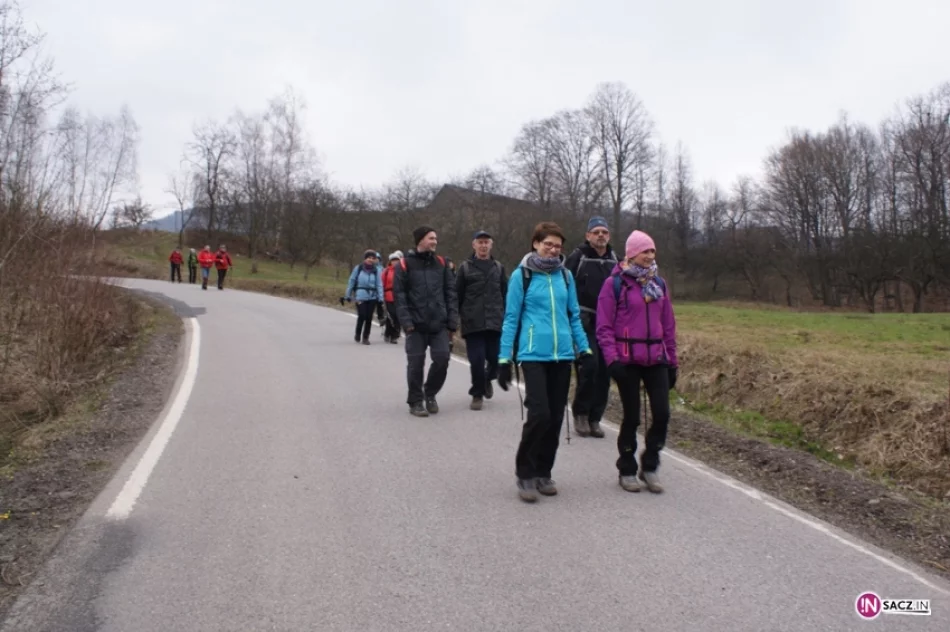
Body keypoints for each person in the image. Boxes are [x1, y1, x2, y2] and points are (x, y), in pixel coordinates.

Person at [496, 222, 594, 503]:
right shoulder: (522, 276)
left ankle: (543, 471)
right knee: (539, 413)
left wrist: (584, 350)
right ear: (535, 244)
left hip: (562, 355)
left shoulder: (565, 277)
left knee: (554, 417)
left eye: (557, 246)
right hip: (532, 354)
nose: (553, 250)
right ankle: (524, 472)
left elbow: (574, 315)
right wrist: (504, 357)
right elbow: (511, 318)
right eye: (548, 244)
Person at [596, 229, 678, 494]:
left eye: (652, 251)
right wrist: (612, 360)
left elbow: (668, 326)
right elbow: (604, 326)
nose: (649, 256)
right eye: (645, 251)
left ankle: (650, 464)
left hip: (656, 358)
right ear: (632, 254)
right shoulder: (615, 284)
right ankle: (627, 467)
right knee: (631, 417)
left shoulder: (659, 285)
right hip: (627, 360)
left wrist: (672, 361)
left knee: (663, 414)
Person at [393, 226, 458, 417]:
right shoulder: (404, 265)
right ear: (420, 240)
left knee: (442, 359)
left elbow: (450, 293)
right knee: (415, 364)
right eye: (431, 238)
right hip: (415, 325)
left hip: (439, 324)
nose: (435, 242)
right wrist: (406, 322)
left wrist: (452, 321)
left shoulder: (442, 263)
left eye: (436, 238)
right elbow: (400, 296)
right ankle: (415, 401)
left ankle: (429, 393)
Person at [564, 216, 619, 438]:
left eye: (604, 232)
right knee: (589, 366)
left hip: (609, 325)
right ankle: (580, 413)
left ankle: (595, 418)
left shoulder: (616, 260)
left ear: (609, 236)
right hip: (584, 322)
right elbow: (564, 286)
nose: (600, 235)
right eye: (596, 232)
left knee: (606, 372)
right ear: (588, 235)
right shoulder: (578, 257)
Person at [456, 230, 508, 411]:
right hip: (473, 322)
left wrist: (508, 319)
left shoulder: (499, 267)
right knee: (477, 361)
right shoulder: (465, 268)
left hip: (495, 322)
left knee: (495, 360)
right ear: (474, 245)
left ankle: (487, 379)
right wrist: (455, 320)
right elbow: (458, 295)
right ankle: (477, 394)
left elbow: (505, 294)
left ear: (491, 245)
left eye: (487, 242)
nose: (483, 245)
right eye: (480, 242)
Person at [344, 250, 385, 345]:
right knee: (362, 315)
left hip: (372, 296)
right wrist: (348, 295)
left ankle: (366, 337)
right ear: (365, 258)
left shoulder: (377, 270)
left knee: (369, 317)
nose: (371, 260)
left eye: (373, 258)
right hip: (360, 295)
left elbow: (379, 284)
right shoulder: (358, 268)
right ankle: (358, 333)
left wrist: (381, 297)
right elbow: (352, 281)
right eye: (369, 258)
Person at [381, 251, 403, 344]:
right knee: (391, 316)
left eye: (397, 260)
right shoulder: (386, 271)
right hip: (388, 296)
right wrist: (381, 296)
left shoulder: (403, 271)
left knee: (398, 316)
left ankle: (394, 336)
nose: (395, 262)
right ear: (390, 261)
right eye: (393, 260)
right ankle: (387, 333)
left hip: (400, 296)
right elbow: (381, 284)